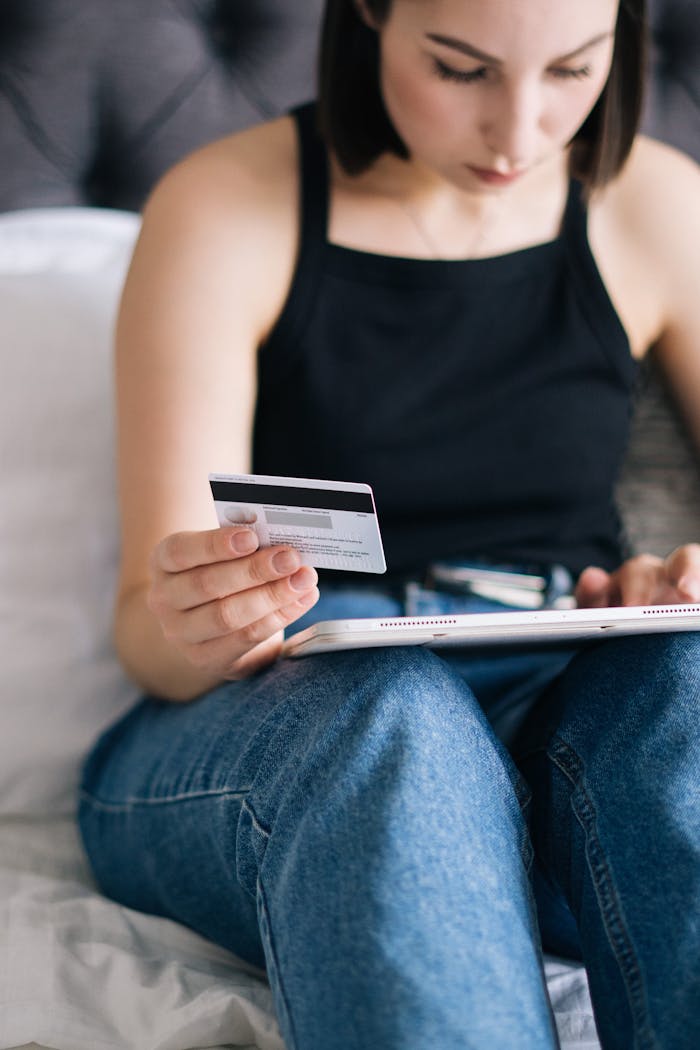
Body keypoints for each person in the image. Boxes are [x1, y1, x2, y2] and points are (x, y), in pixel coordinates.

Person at [77, 1, 700, 1047]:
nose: (519, 132)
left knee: (682, 687)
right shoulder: (227, 203)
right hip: (289, 708)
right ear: (368, 16)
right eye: (461, 70)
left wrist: (672, 585)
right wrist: (208, 620)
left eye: (572, 69)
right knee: (389, 712)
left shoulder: (659, 204)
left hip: (555, 677)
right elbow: (148, 633)